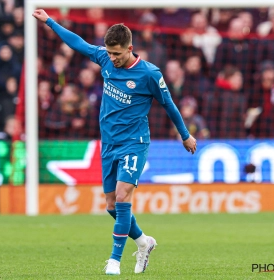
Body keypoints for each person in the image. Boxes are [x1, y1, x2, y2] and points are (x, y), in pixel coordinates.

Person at [33, 9, 197, 276]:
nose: (112, 58)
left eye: (117, 54)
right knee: (111, 204)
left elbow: (169, 105)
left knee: (122, 196)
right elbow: (78, 43)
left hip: (135, 142)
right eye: (109, 53)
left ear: (130, 48)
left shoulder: (150, 74)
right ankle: (143, 242)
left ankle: (114, 261)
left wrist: (185, 135)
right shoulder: (105, 59)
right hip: (108, 144)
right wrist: (50, 22)